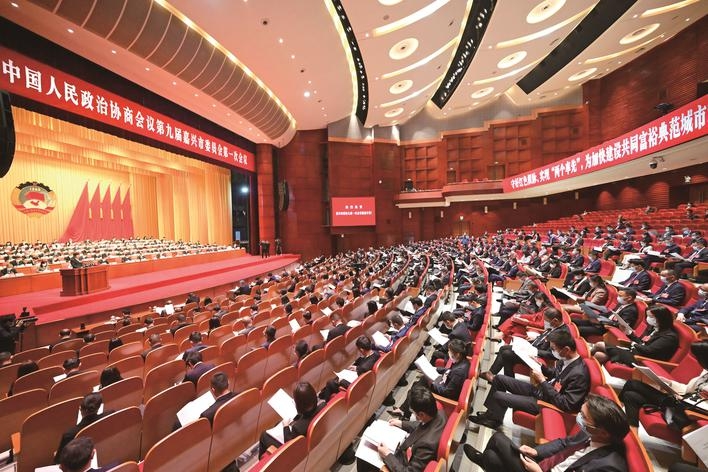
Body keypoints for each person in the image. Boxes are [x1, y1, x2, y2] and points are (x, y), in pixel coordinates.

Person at [463, 394, 630, 472]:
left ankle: (482, 460)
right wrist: (536, 451)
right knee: (491, 458)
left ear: (604, 432)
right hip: (545, 464)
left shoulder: (609, 467)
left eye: (583, 417)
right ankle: (484, 461)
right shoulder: (592, 432)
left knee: (498, 438)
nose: (579, 418)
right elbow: (564, 443)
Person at [469, 330, 590, 430]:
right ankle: (491, 415)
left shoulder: (579, 375)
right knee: (499, 379)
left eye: (553, 348)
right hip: (541, 391)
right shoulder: (566, 359)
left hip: (545, 402)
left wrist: (542, 381)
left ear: (566, 349)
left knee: (499, 396)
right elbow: (555, 374)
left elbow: (566, 404)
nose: (552, 351)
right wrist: (541, 366)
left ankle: (493, 420)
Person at [357, 386, 446, 472]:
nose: (412, 414)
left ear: (421, 414)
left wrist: (387, 455)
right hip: (408, 447)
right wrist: (401, 423)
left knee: (363, 457)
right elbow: (422, 425)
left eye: (413, 412)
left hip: (402, 462)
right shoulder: (440, 413)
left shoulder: (426, 445)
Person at [619, 341, 708, 427]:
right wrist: (669, 383)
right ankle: (629, 431)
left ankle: (616, 416)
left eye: (699, 358)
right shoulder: (705, 372)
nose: (698, 361)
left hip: (687, 411)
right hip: (677, 401)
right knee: (630, 395)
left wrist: (683, 399)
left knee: (632, 384)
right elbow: (687, 389)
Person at [389, 339, 470, 420]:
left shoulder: (459, 372)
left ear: (457, 354)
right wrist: (435, 369)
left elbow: (447, 392)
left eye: (450, 351)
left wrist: (432, 383)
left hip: (446, 395)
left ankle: (405, 412)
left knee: (415, 390)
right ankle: (404, 410)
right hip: (445, 383)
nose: (448, 353)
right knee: (417, 383)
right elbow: (449, 371)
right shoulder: (463, 362)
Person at [483, 308, 568, 381]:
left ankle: (503, 379)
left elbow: (553, 355)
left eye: (546, 321)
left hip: (538, 357)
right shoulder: (554, 327)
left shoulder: (562, 334)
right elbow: (544, 337)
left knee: (507, 354)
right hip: (534, 348)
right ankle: (494, 375)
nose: (545, 323)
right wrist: (535, 339)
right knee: (504, 348)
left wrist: (533, 351)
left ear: (555, 320)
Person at [593, 306, 678, 366]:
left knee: (599, 345)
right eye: (647, 316)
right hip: (635, 352)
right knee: (599, 355)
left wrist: (632, 344)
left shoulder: (669, 336)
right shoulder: (654, 328)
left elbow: (648, 350)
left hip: (642, 359)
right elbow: (641, 342)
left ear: (661, 318)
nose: (648, 319)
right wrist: (629, 334)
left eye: (651, 316)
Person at [258, 382, 324, 458]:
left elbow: (289, 445)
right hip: (313, 439)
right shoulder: (323, 405)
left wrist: (286, 427)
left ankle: (263, 461)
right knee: (278, 423)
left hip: (296, 453)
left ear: (299, 405)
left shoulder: (298, 428)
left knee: (264, 435)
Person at [54, 393, 114, 463]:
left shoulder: (69, 434)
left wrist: (56, 455)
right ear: (99, 407)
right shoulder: (110, 415)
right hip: (107, 454)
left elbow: (59, 460)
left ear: (80, 408)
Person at [319, 335, 380, 401]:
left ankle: (326, 401)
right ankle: (323, 393)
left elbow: (357, 385)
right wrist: (356, 367)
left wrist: (342, 381)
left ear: (361, 350)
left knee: (330, 382)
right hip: (365, 380)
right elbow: (366, 364)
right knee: (336, 378)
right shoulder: (376, 354)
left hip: (357, 387)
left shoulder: (363, 368)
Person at [574, 288, 639, 339]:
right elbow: (609, 314)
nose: (618, 297)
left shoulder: (631, 310)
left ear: (629, 298)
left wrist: (603, 322)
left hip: (606, 329)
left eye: (620, 296)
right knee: (574, 321)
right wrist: (597, 316)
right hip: (601, 323)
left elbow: (622, 325)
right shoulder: (621, 304)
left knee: (578, 329)